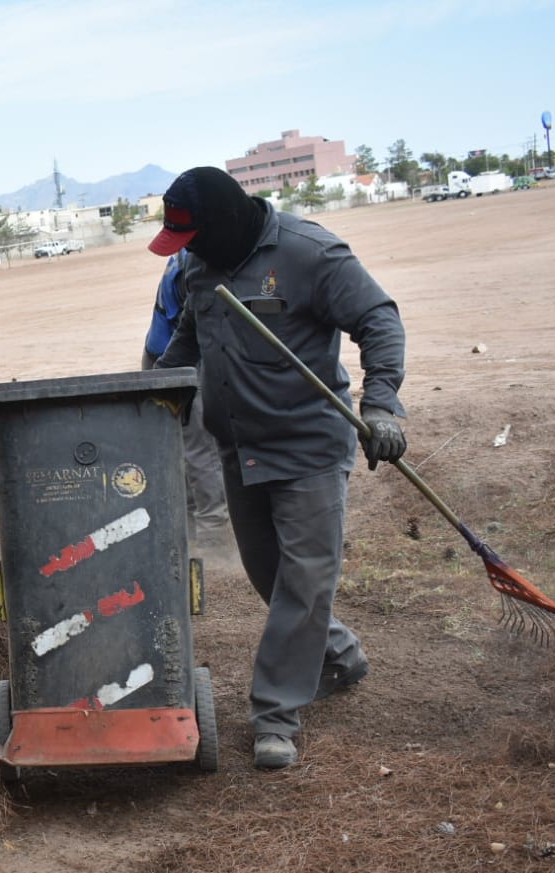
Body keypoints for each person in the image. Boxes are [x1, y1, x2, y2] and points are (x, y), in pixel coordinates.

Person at [146, 167, 408, 770]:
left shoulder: (310, 253)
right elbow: (188, 338)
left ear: (223, 223)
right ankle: (340, 652)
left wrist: (382, 405)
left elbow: (379, 319)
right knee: (272, 578)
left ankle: (275, 715)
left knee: (305, 582)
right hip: (240, 451)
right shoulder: (200, 264)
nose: (187, 251)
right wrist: (151, 395)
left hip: (309, 449)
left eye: (192, 238)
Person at [142, 248, 231, 547]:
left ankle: (189, 526)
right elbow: (206, 329)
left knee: (179, 448)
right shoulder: (199, 266)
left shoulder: (185, 255)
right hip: (181, 361)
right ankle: (214, 533)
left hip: (159, 355)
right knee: (201, 450)